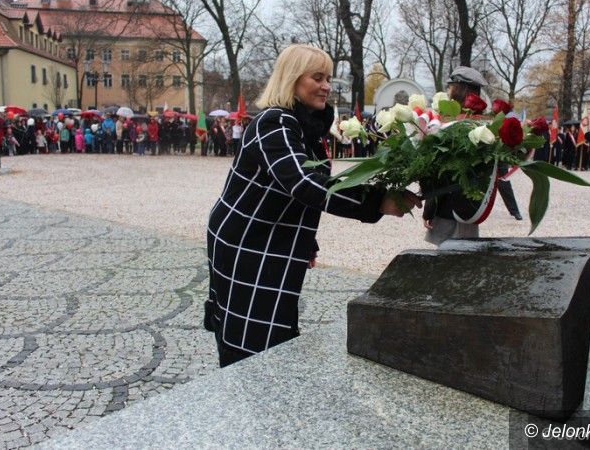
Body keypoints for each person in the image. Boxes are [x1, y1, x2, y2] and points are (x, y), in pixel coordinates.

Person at [204, 44, 421, 367]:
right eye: (317, 78)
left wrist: (305, 239)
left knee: (274, 323)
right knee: (250, 337)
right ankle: (243, 390)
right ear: (292, 78)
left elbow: (293, 191)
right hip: (248, 241)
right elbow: (304, 183)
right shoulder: (274, 123)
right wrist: (376, 201)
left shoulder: (304, 125)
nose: (326, 86)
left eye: (328, 78)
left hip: (271, 235)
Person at [422, 66, 489, 244]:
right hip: (471, 208)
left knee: (446, 255)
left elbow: (435, 174)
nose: (448, 90)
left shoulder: (445, 127)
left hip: (446, 209)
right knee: (467, 253)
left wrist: (429, 210)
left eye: (451, 86)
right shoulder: (484, 128)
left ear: (460, 89)